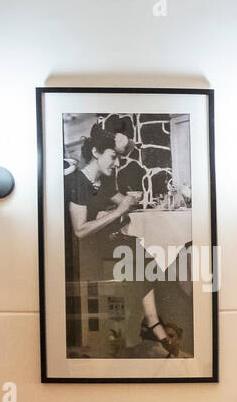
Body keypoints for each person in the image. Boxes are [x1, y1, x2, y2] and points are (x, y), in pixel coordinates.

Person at [64, 126, 179, 357]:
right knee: (135, 256)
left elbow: (124, 203)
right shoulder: (77, 181)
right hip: (80, 253)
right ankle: (137, 331)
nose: (117, 164)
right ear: (96, 152)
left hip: (101, 246)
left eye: (119, 158)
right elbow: (78, 231)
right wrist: (116, 213)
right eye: (113, 157)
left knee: (140, 251)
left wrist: (132, 202)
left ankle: (150, 323)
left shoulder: (103, 182)